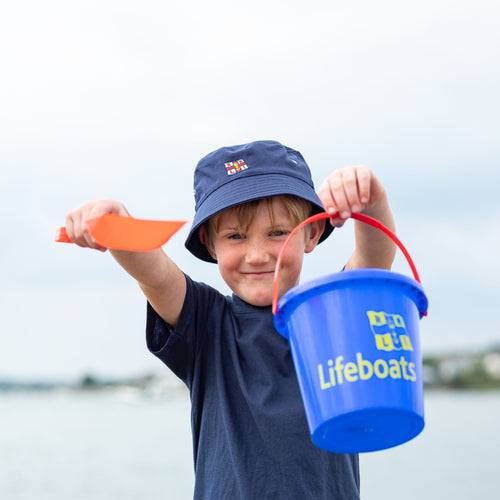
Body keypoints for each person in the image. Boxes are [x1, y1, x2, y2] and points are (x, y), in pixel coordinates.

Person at [65, 140, 396, 499]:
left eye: (277, 232)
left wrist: (370, 200)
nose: (256, 255)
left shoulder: (333, 316)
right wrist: (118, 226)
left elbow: (374, 257)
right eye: (235, 236)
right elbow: (155, 274)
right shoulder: (206, 323)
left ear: (311, 233)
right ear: (210, 244)